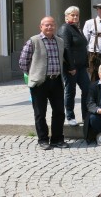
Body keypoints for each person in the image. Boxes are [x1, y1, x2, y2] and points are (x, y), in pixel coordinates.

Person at [19, 16, 69, 150]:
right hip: (39, 83)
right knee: (40, 113)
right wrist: (34, 74)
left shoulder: (60, 41)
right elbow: (23, 62)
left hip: (57, 81)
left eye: (52, 25)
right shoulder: (33, 41)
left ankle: (57, 139)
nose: (49, 27)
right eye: (46, 25)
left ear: (55, 27)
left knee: (59, 111)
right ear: (41, 27)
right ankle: (43, 139)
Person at [57, 6, 90, 126]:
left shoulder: (76, 28)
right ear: (66, 16)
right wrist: (71, 67)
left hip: (81, 67)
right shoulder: (65, 28)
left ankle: (86, 115)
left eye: (77, 15)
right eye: (72, 15)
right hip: (70, 67)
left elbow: (82, 48)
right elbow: (66, 48)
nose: (75, 17)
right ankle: (70, 116)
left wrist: (86, 64)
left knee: (87, 89)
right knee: (71, 91)